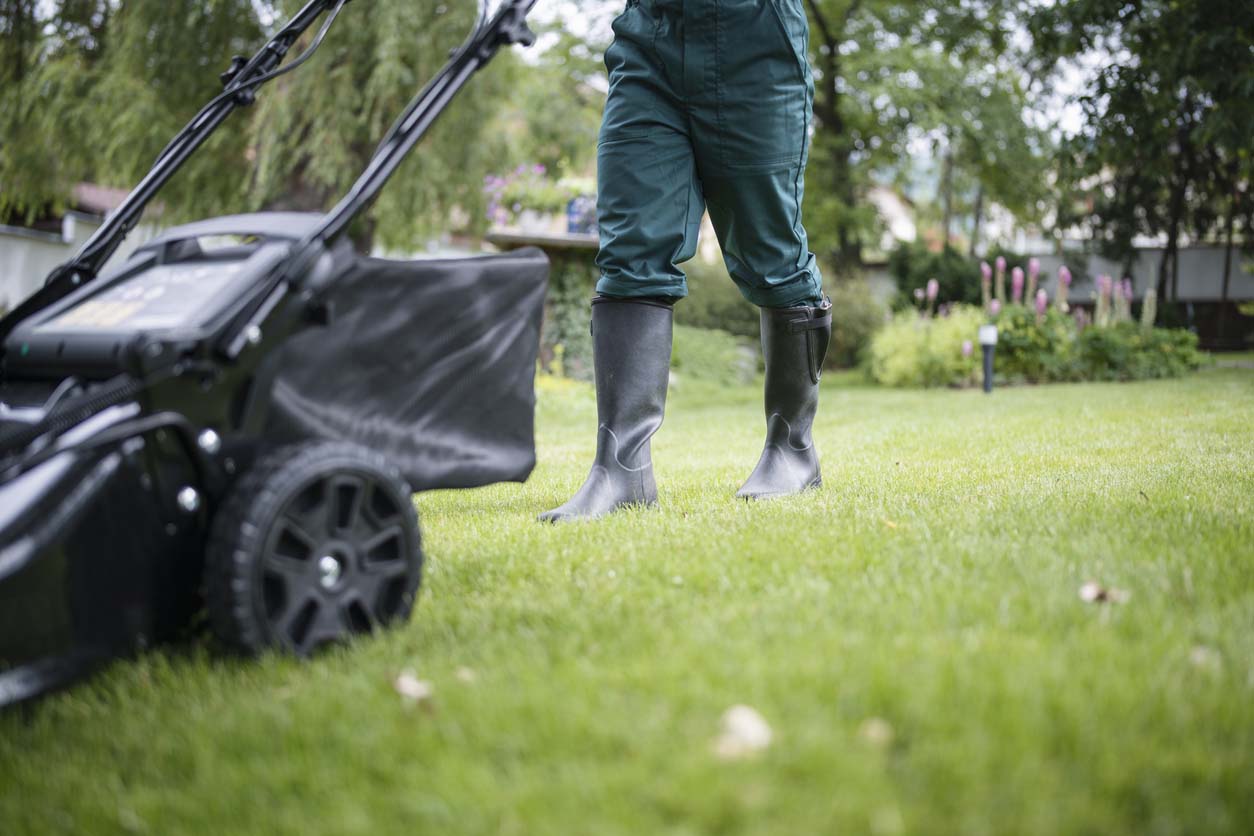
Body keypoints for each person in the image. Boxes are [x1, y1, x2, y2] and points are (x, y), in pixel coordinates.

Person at [539, 0, 831, 523]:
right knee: (631, 250)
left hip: (756, 41)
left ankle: (792, 449)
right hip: (651, 38)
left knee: (770, 257)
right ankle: (621, 469)